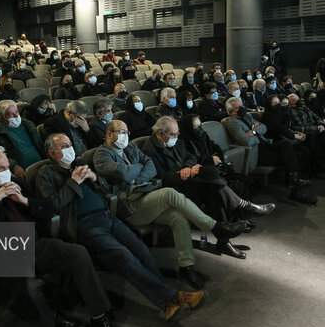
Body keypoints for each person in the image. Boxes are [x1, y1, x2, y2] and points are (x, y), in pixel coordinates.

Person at [36, 134, 205, 321]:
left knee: (140, 249)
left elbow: (105, 188)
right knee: (122, 254)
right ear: (52, 153)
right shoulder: (46, 174)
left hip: (107, 215)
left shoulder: (80, 162)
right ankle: (171, 297)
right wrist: (73, 182)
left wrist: (94, 178)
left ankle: (166, 298)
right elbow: (52, 205)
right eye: (64, 146)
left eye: (70, 144)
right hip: (85, 224)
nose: (70, 148)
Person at [0, 146, 118, 327]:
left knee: (78, 253)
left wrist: (24, 201)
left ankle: (99, 315)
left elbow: (47, 209)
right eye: (1, 168)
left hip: (36, 243)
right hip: (5, 255)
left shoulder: (19, 183)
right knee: (30, 288)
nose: (7, 172)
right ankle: (53, 322)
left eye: (7, 167)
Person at [95, 119, 250, 285]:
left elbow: (150, 166)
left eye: (127, 132)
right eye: (122, 132)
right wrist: (137, 169)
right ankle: (216, 227)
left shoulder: (130, 148)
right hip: (129, 206)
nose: (126, 136)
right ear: (109, 135)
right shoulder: (101, 155)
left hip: (146, 195)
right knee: (170, 193)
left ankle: (187, 267)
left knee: (178, 218)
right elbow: (123, 174)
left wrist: (137, 176)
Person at [143, 117, 274, 259]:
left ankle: (226, 237)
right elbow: (161, 178)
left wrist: (188, 168)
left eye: (177, 133)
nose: (177, 137)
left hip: (190, 181)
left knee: (215, 190)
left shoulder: (173, 140)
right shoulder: (150, 150)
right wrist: (185, 174)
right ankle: (243, 208)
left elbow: (190, 156)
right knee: (214, 185)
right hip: (174, 189)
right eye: (173, 134)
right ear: (161, 133)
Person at [225, 97, 316, 205]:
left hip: (266, 144)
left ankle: (294, 185)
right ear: (231, 112)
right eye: (237, 107)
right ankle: (295, 187)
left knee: (286, 145)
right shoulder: (233, 123)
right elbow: (246, 142)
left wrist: (253, 132)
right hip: (256, 153)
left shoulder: (247, 116)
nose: (242, 108)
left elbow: (264, 127)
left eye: (242, 106)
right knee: (291, 154)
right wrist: (256, 132)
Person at [0, 100, 45, 179]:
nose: (16, 116)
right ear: (1, 118)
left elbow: (40, 145)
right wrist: (13, 165)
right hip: (22, 171)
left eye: (16, 112)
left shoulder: (28, 124)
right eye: (10, 114)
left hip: (42, 165)